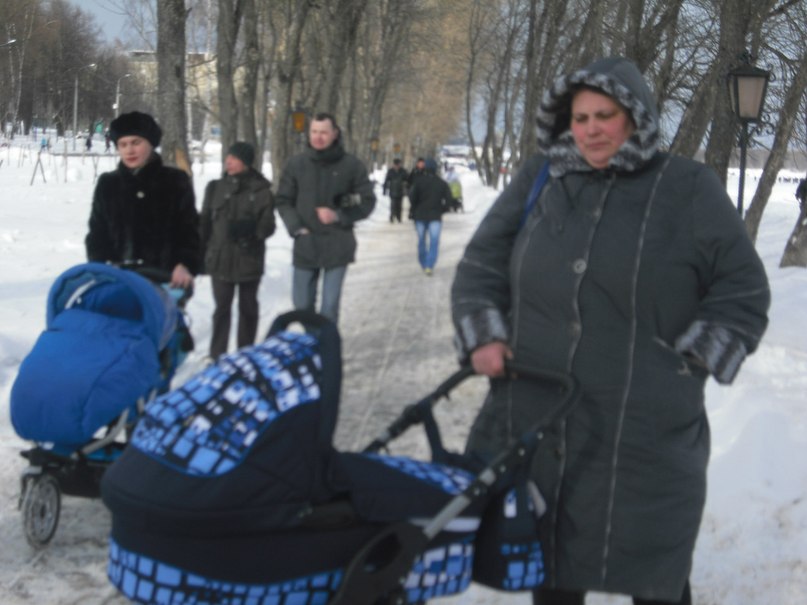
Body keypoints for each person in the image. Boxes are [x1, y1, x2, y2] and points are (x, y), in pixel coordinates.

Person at [451, 57, 770, 605]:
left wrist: (689, 360)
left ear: (636, 118)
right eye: (581, 117)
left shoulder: (686, 187)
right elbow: (481, 264)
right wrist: (483, 334)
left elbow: (741, 288)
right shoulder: (540, 178)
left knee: (655, 570)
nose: (592, 128)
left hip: (646, 426)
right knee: (552, 566)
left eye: (606, 114)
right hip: (540, 413)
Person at [275, 112, 375, 323]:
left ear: (334, 134)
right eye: (314, 132)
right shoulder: (296, 164)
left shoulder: (351, 165)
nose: (318, 137)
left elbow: (367, 201)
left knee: (329, 309)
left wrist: (339, 215)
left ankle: (325, 353)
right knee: (301, 306)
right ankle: (313, 348)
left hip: (338, 244)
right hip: (306, 243)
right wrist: (296, 228)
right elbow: (283, 200)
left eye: (323, 132)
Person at [86, 110, 201, 290]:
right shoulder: (108, 184)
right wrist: (102, 266)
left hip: (166, 282)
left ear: (150, 143)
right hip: (117, 282)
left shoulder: (175, 181)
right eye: (122, 144)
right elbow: (97, 233)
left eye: (136, 142)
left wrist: (184, 264)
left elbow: (190, 231)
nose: (129, 150)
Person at [200, 142, 275, 361]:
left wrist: (251, 230)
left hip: (248, 259)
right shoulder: (215, 187)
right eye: (228, 158)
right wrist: (198, 253)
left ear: (246, 163)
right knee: (221, 309)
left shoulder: (261, 190)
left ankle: (246, 354)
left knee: (248, 309)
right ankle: (217, 355)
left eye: (234, 158)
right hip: (220, 259)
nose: (229, 162)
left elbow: (268, 226)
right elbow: (204, 223)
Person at [408, 158, 453, 275]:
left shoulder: (418, 182)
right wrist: (442, 209)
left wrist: (414, 209)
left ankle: (423, 262)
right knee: (434, 241)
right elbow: (449, 200)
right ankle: (429, 264)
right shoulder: (442, 183)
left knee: (421, 240)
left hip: (420, 215)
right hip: (435, 216)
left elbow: (412, 198)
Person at [383, 158, 408, 223]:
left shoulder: (403, 171)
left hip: (400, 191)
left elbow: (407, 180)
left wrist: (407, 189)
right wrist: (384, 190)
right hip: (392, 190)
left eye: (398, 164)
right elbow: (386, 181)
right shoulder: (390, 171)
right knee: (393, 205)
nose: (397, 166)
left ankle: (399, 217)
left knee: (399, 205)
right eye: (395, 164)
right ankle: (392, 217)